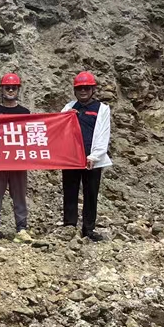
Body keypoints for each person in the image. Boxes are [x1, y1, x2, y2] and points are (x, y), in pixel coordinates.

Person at [62, 71, 112, 241]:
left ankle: (88, 229)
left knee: (91, 194)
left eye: (86, 88)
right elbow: (58, 128)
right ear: (75, 90)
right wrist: (66, 117)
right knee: (70, 191)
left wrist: (95, 156)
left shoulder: (102, 109)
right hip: (71, 158)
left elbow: (104, 133)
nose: (83, 91)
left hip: (91, 159)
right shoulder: (69, 107)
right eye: (79, 88)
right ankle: (69, 226)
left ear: (92, 89)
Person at [0, 73, 32, 243]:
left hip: (18, 161)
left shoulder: (25, 112)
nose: (11, 90)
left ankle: (21, 229)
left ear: (18, 90)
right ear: (2, 89)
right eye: (7, 87)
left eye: (14, 88)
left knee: (19, 196)